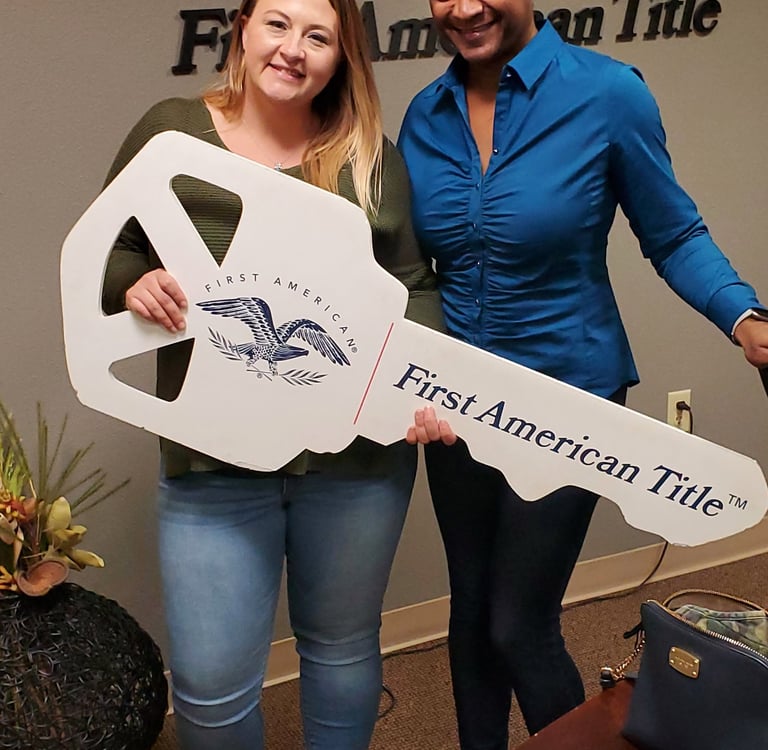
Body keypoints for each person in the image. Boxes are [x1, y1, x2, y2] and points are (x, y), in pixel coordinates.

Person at [398, 1, 768, 747]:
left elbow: (674, 233)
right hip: (457, 404)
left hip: (568, 398)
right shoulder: (425, 115)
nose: (464, 7)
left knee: (517, 624)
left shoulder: (607, 95)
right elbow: (413, 271)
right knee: (469, 617)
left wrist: (746, 319)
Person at [100, 1, 443, 748]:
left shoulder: (369, 157)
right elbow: (108, 249)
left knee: (343, 647)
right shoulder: (171, 133)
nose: (293, 50)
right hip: (211, 465)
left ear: (342, 56)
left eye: (318, 36)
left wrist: (423, 385)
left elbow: (413, 284)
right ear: (243, 31)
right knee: (210, 687)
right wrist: (133, 282)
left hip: (358, 463)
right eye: (277, 24)